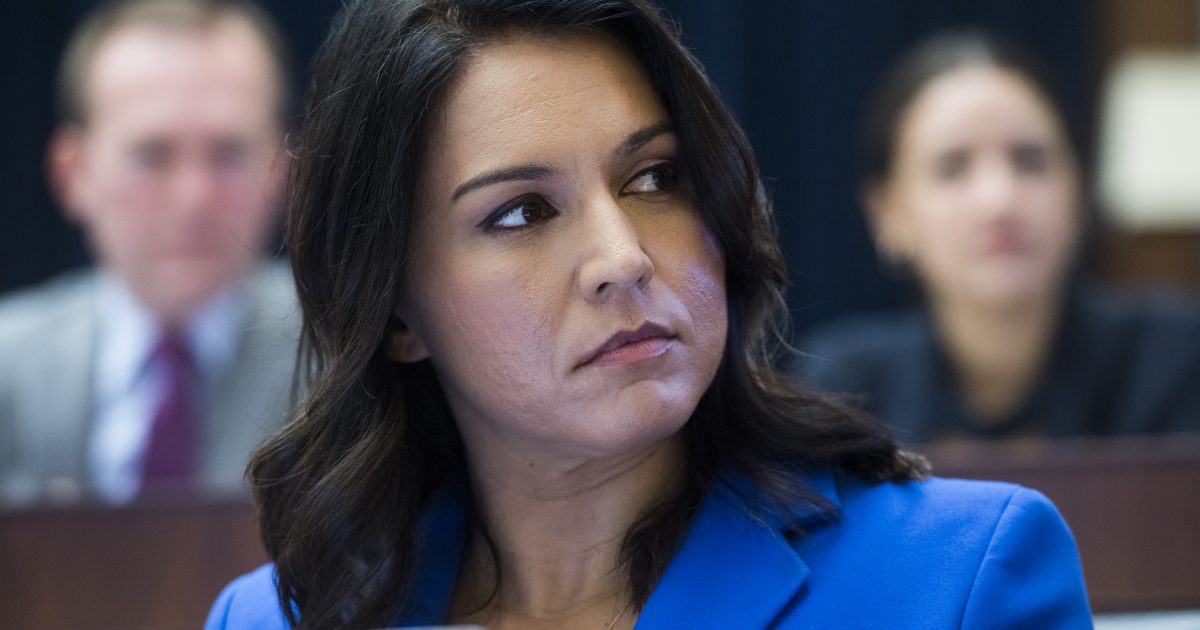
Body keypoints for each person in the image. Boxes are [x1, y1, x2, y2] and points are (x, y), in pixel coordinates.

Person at [206, 2, 1092, 628]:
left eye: (655, 178)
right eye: (521, 212)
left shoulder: (964, 576)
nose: (623, 258)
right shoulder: (271, 620)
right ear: (397, 314)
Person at [797, 32, 1200, 443]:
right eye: (952, 167)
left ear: (1079, 190)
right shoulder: (846, 388)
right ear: (887, 213)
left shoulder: (1175, 358)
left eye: (1030, 160)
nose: (1000, 199)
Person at [0, 0, 299, 505]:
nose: (194, 198)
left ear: (282, 167)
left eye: (229, 153)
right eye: (152, 155)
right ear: (74, 173)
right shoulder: (8, 368)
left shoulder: (348, 364)